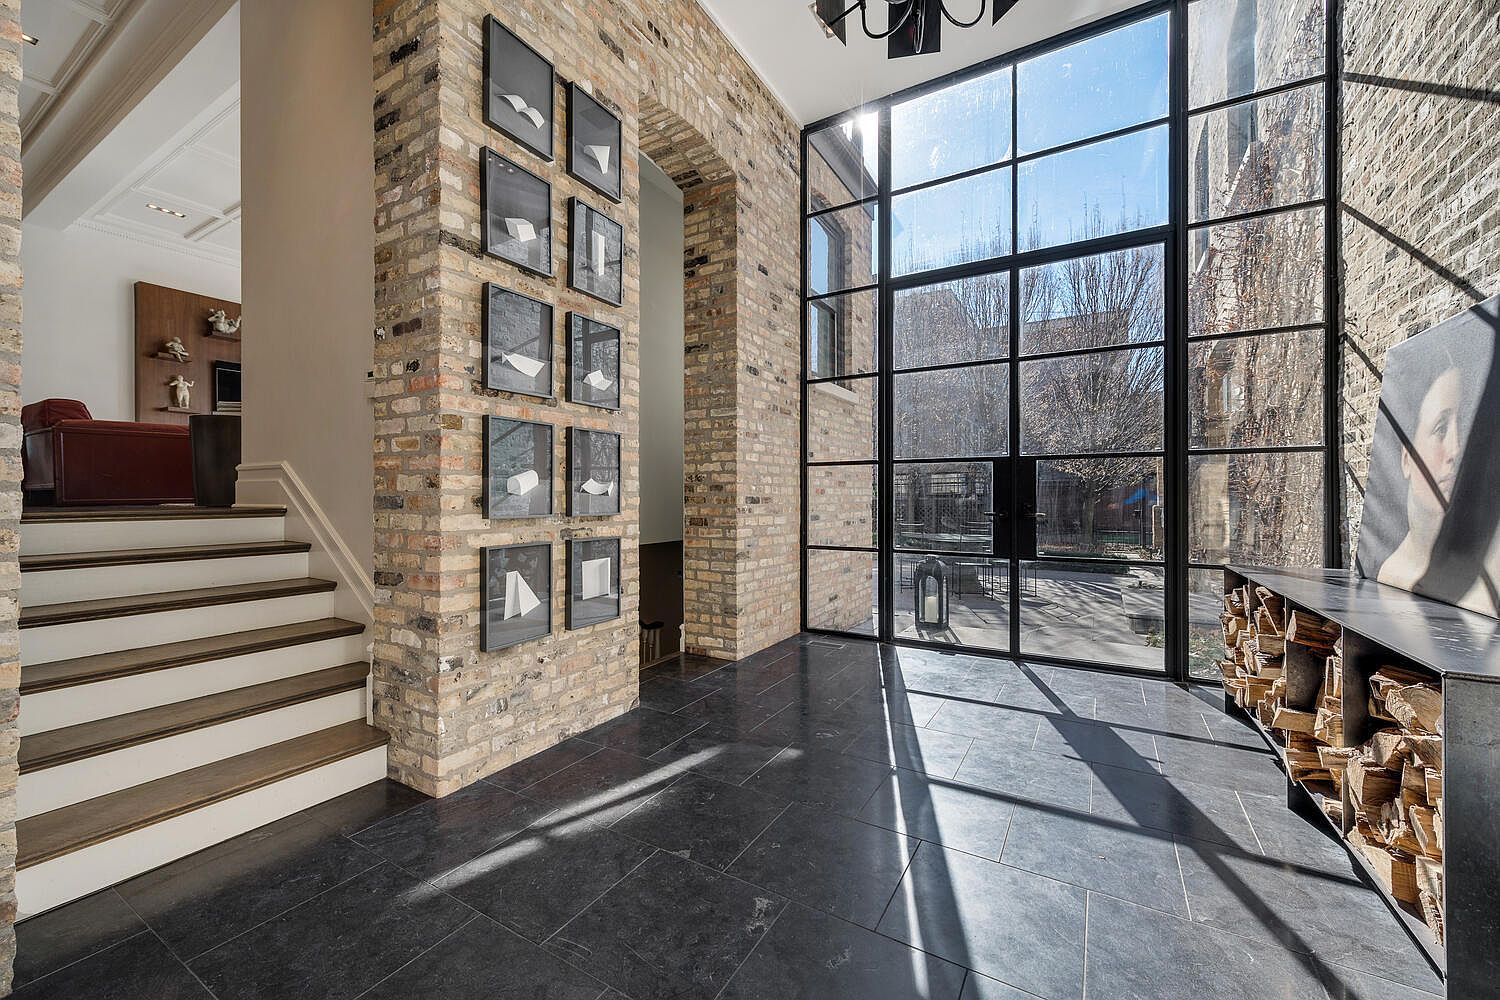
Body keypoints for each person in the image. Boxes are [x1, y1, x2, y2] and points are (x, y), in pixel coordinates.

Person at [1376, 367, 1462, 592]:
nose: (1456, 449)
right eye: (1441, 429)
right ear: (1406, 460)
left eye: (1465, 426)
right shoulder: (1391, 572)